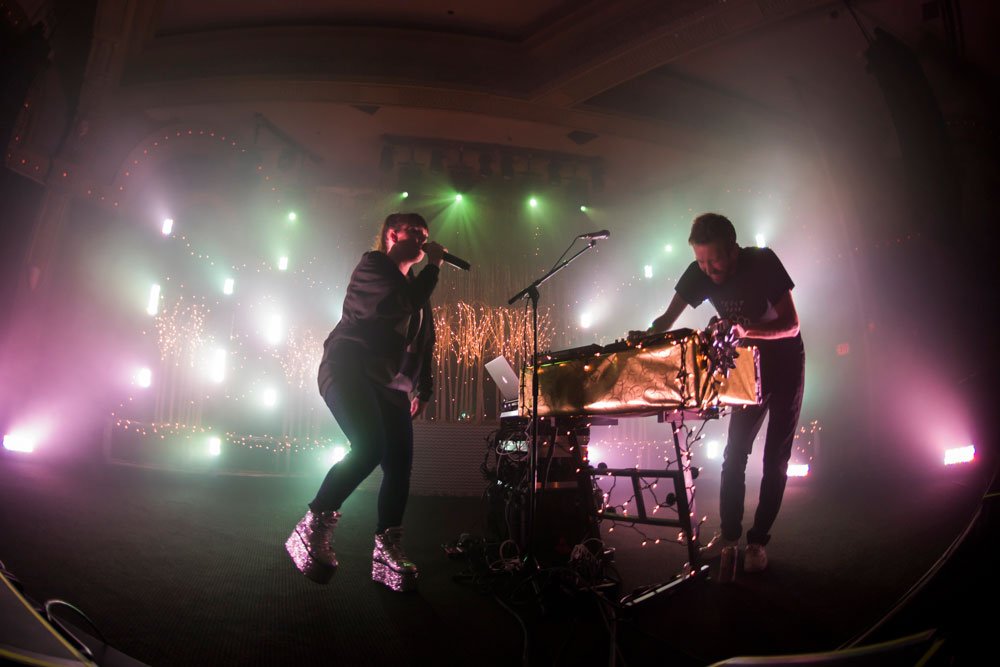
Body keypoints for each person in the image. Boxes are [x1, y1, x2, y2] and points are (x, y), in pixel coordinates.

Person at [286, 212, 445, 591]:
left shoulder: (416, 292)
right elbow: (399, 304)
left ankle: (386, 549)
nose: (423, 240)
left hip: (390, 386)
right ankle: (313, 524)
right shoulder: (373, 266)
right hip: (349, 368)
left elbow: (425, 343)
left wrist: (425, 389)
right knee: (370, 446)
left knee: (400, 465)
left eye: (427, 235)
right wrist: (435, 267)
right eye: (416, 233)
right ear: (392, 234)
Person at [649, 213, 804, 581]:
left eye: (714, 259)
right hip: (747, 369)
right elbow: (666, 318)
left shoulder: (763, 262)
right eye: (701, 261)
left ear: (733, 250)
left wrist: (744, 328)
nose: (707, 268)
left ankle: (758, 542)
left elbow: (792, 323)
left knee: (774, 458)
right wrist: (648, 335)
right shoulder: (698, 271)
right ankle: (730, 536)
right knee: (734, 453)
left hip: (785, 364)